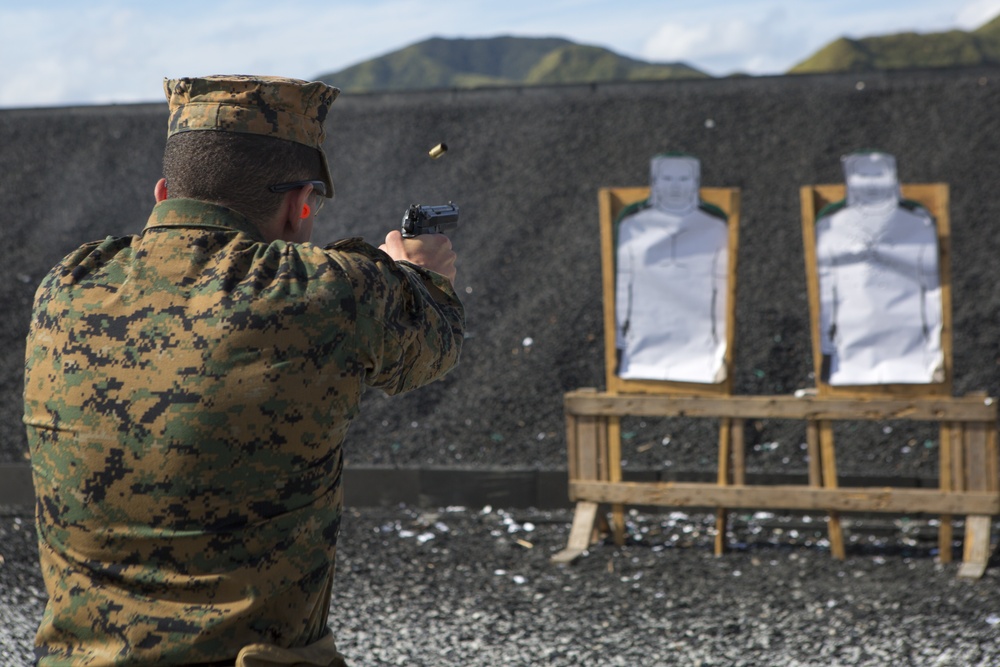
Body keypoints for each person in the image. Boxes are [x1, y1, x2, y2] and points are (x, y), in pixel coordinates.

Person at [23, 75, 465, 666]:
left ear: (163, 195)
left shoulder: (68, 283)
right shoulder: (331, 291)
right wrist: (417, 275)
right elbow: (432, 343)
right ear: (296, 206)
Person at [815, 150, 942, 385]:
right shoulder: (831, 226)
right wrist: (826, 347)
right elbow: (826, 294)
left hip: (912, 350)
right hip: (851, 354)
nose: (871, 184)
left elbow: (933, 292)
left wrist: (935, 347)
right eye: (864, 176)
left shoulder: (919, 224)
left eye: (878, 175)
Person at [614, 153, 729, 383]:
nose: (675, 186)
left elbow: (721, 287)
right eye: (667, 178)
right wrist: (620, 343)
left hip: (699, 343)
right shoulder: (632, 226)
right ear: (655, 182)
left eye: (683, 179)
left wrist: (718, 341)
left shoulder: (716, 228)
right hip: (642, 340)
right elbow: (623, 287)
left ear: (694, 183)